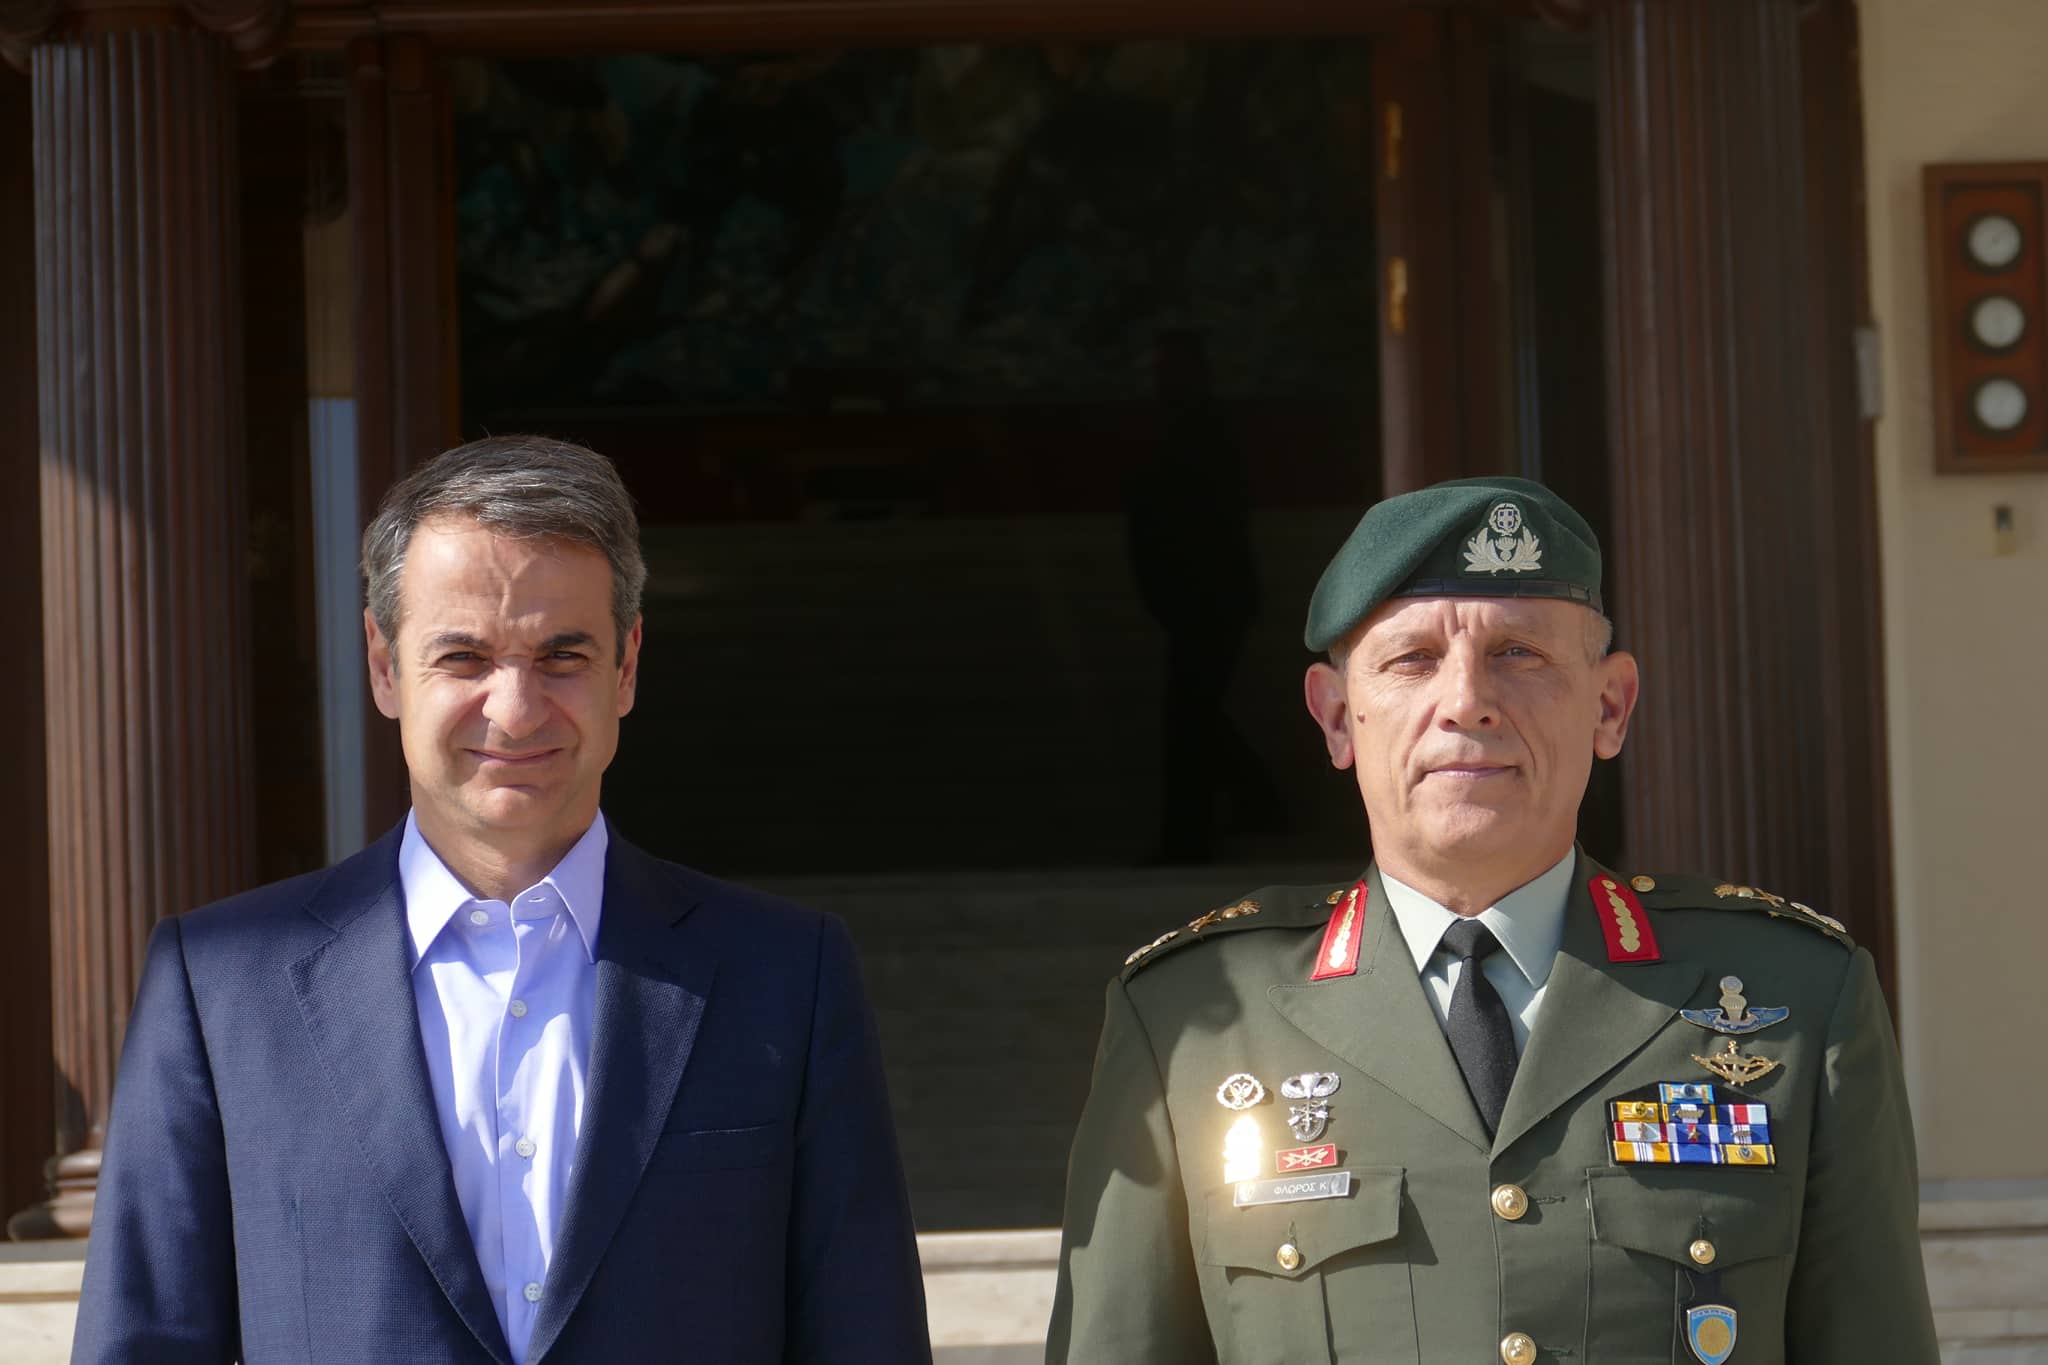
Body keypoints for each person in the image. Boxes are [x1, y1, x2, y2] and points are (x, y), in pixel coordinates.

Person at [73, 436, 932, 1365]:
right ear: (384, 665)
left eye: (563, 654)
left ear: (627, 666)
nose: (515, 709)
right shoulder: (219, 989)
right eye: (464, 655)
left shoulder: (788, 978)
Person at [1046, 477, 1936, 1365]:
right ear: (1336, 717)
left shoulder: (1797, 1000)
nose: (1466, 699)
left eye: (1519, 652)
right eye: (1412, 659)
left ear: (1610, 706)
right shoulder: (1188, 1026)